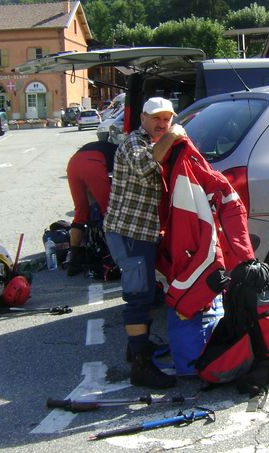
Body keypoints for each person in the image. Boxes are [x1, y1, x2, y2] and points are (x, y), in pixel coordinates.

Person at [103, 97, 185, 389]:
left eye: (167, 119)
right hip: (129, 234)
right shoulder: (133, 143)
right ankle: (141, 367)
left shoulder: (156, 140)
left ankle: (137, 345)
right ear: (143, 118)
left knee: (150, 295)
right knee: (138, 298)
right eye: (156, 119)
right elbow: (146, 164)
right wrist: (175, 134)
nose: (162, 124)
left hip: (144, 233)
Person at [65, 140, 117, 276]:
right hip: (93, 163)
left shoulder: (109, 147)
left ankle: (73, 262)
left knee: (80, 213)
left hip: (73, 163)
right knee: (109, 211)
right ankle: (113, 256)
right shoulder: (125, 152)